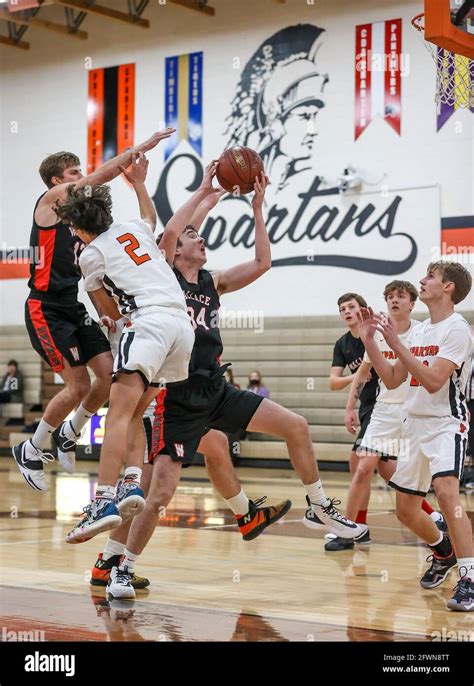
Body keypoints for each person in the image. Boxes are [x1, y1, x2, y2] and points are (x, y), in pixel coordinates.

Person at [99, 171, 367, 599]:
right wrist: (202, 191)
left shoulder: (213, 282)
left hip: (216, 388)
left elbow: (263, 264)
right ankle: (121, 570)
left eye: (198, 236)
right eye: (193, 237)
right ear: (177, 249)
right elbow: (170, 229)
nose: (200, 240)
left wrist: (257, 208)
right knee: (160, 491)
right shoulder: (164, 280)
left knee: (295, 425)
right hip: (175, 398)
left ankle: (318, 506)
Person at [59, 152, 213, 543]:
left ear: (78, 227)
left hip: (148, 324)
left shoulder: (90, 254)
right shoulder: (134, 227)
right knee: (140, 411)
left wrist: (112, 321)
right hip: (182, 327)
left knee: (117, 413)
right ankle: (131, 483)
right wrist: (140, 183)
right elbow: (152, 217)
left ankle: (103, 500)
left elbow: (110, 311)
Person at [12, 129, 173, 491]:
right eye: (74, 173)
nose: (80, 177)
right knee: (77, 385)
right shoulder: (48, 203)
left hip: (72, 304)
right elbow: (98, 179)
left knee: (107, 376)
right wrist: (138, 149)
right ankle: (32, 448)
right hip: (45, 307)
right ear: (57, 182)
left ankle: (69, 433)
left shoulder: (78, 224)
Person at [359, 261, 473, 612]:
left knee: (446, 491)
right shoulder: (421, 331)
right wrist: (371, 342)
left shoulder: (457, 329)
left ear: (448, 287)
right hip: (414, 424)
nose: (422, 281)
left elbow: (435, 380)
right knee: (406, 510)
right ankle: (443, 551)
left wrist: (396, 341)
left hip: (445, 423)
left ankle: (469, 576)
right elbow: (393, 378)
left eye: (430, 278)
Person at [328, 281, 446, 551]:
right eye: (390, 296)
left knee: (401, 474)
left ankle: (435, 521)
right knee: (363, 468)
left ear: (412, 303)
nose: (394, 300)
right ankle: (350, 530)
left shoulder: (423, 331)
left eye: (401, 296)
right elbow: (362, 372)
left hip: (415, 410)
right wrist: (349, 408)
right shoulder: (376, 332)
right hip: (383, 410)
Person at [305, 294, 377, 539]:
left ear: (363, 310)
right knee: (386, 471)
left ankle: (351, 528)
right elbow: (333, 382)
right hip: (366, 407)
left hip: (386, 407)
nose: (346, 311)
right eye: (342, 309)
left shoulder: (375, 334)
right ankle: (361, 527)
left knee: (360, 465)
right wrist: (355, 377)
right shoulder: (343, 344)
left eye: (351, 307)